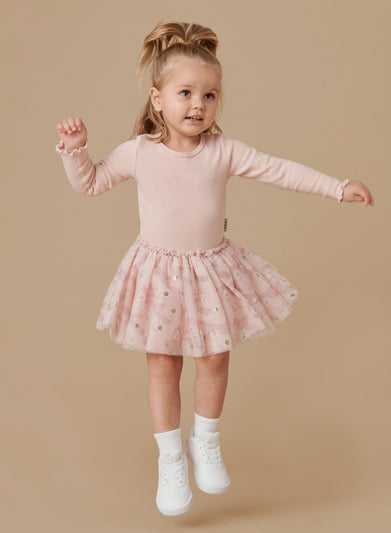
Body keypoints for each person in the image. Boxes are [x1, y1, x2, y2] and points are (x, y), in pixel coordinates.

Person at [55, 20, 374, 517]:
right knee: (163, 363)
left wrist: (337, 187)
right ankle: (170, 458)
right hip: (159, 274)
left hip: (210, 270)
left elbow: (280, 170)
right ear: (158, 99)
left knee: (215, 357)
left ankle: (204, 438)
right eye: (185, 93)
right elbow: (91, 183)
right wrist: (76, 151)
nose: (198, 105)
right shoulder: (139, 152)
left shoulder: (224, 152)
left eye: (209, 95)